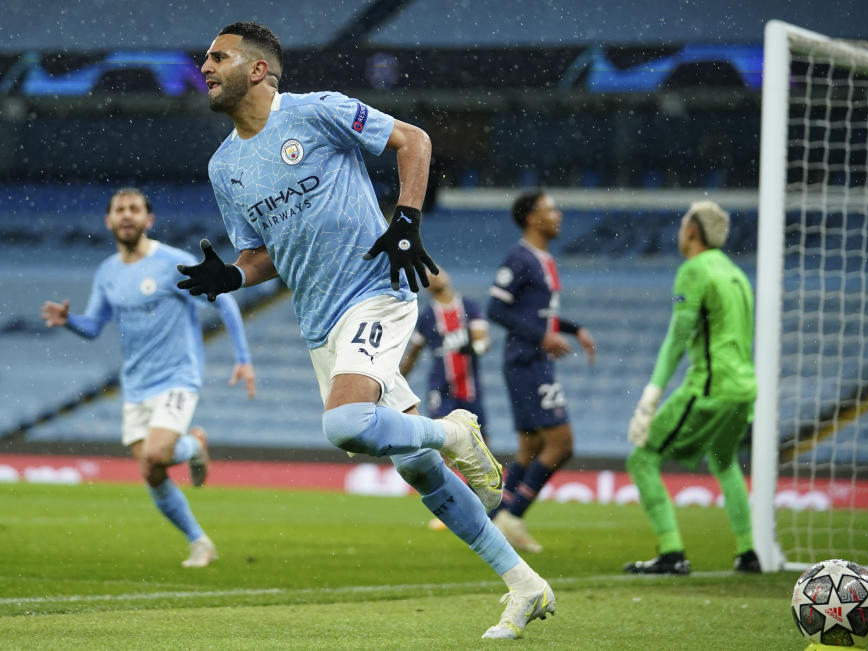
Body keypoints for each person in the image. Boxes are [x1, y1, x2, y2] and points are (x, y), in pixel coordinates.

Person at [177, 22, 555, 639]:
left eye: (219, 57)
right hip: (321, 322)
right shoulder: (225, 168)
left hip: (375, 291)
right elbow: (260, 254)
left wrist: (406, 221)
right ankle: (525, 584)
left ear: (258, 70)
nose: (206, 66)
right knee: (417, 469)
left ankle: (455, 431)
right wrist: (231, 278)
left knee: (345, 424)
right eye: (206, 58)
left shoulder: (318, 112)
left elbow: (413, 140)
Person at [40, 187, 256, 568]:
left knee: (158, 452)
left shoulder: (173, 263)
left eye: (134, 209)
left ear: (148, 220)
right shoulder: (107, 272)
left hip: (177, 376)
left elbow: (223, 299)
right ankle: (199, 541)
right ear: (109, 221)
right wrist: (69, 320)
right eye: (120, 209)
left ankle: (193, 448)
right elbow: (93, 326)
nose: (127, 215)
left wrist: (242, 357)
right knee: (151, 470)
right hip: (136, 384)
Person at [623, 200, 760, 575]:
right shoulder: (735, 273)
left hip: (711, 388)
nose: (680, 231)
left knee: (641, 458)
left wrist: (650, 398)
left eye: (683, 224)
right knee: (723, 460)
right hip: (745, 389)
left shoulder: (694, 270)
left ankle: (672, 553)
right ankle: (748, 553)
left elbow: (677, 338)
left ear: (693, 231)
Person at [487, 190, 596, 554]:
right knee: (561, 444)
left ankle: (493, 518)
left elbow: (538, 314)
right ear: (533, 218)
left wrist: (572, 328)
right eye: (551, 209)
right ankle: (512, 516)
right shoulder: (519, 258)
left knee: (531, 448)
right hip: (526, 361)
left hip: (533, 359)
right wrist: (543, 338)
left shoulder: (543, 258)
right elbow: (496, 310)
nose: (558, 214)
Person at [399, 266, 491, 531]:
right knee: (444, 445)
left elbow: (483, 341)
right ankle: (453, 507)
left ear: (448, 275)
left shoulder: (469, 307)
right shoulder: (427, 317)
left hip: (469, 387)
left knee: (481, 444)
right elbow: (413, 354)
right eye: (428, 273)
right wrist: (394, 379)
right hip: (441, 388)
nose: (434, 275)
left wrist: (473, 348)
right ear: (425, 284)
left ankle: (484, 502)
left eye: (437, 270)